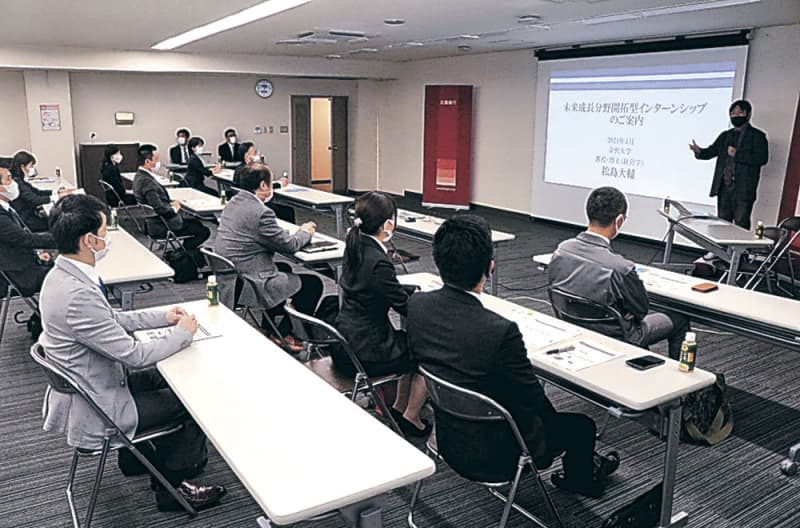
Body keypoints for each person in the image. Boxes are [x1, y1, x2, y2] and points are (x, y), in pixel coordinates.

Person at [408, 214, 618, 498]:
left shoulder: (417, 305)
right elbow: (531, 399)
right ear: (490, 268)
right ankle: (581, 479)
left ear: (438, 261)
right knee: (582, 426)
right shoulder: (500, 331)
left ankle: (588, 464)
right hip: (499, 453)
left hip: (449, 438)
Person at [38, 194, 226, 511]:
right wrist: (182, 334)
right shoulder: (76, 294)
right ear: (89, 240)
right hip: (100, 403)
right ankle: (173, 488)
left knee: (166, 377)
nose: (108, 238)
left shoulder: (62, 276)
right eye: (104, 231)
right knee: (193, 400)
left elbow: (112, 319)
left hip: (95, 383)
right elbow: (134, 355)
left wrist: (163, 316)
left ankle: (135, 457)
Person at [548, 187, 690, 360]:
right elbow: (641, 311)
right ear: (619, 220)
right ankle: (678, 375)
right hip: (618, 336)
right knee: (679, 319)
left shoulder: (562, 250)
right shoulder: (621, 268)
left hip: (573, 325)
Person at [334, 191, 430, 437]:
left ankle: (398, 408)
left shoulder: (355, 246)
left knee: (409, 345)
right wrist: (429, 302)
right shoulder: (378, 261)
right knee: (427, 354)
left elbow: (377, 288)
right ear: (388, 224)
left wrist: (409, 290)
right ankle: (411, 417)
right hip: (368, 350)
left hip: (345, 342)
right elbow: (404, 306)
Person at [215, 163, 322, 352]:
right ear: (263, 185)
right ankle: (285, 334)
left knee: (284, 268)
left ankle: (269, 328)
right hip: (248, 280)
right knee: (313, 284)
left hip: (230, 277)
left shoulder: (233, 203)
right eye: (271, 183)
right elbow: (290, 245)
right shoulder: (261, 213)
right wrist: (305, 232)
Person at [689, 99, 768, 230]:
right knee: (722, 223)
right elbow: (711, 151)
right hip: (724, 187)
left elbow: (762, 159)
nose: (736, 116)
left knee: (741, 223)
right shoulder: (726, 135)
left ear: (748, 114)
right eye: (733, 113)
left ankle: (740, 245)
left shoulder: (757, 136)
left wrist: (737, 154)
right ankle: (722, 244)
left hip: (744, 189)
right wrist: (699, 151)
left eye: (739, 113)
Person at [132, 144, 210, 265]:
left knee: (196, 224)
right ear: (147, 161)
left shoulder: (139, 176)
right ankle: (180, 254)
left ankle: (182, 253)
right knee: (203, 231)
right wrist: (174, 208)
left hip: (154, 222)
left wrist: (169, 203)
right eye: (156, 159)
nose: (158, 162)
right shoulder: (147, 182)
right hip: (163, 225)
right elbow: (160, 209)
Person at [0, 167, 54, 296]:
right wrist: (63, 238)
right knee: (68, 277)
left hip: (22, 262)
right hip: (19, 274)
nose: (14, 183)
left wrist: (36, 254)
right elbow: (24, 238)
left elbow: (17, 239)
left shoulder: (6, 207)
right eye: (9, 179)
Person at [232, 142, 294, 222]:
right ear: (247, 156)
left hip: (245, 203)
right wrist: (280, 184)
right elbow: (262, 187)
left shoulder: (239, 169)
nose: (257, 155)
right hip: (255, 204)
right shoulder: (249, 171)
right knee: (288, 211)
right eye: (254, 153)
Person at [9, 151, 55, 232]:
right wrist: (54, 198)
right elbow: (34, 199)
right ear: (22, 167)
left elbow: (37, 192)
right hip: (28, 221)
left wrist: (54, 192)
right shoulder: (17, 182)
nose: (32, 169)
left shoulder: (19, 180)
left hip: (29, 215)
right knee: (57, 223)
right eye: (31, 166)